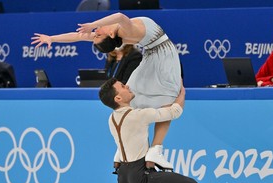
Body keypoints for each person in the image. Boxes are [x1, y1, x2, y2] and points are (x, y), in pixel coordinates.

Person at [31, 13, 181, 170]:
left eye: (96, 33)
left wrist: (52, 38)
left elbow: (78, 36)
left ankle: (149, 148)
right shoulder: (125, 31)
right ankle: (147, 148)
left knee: (141, 98)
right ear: (110, 34)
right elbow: (120, 16)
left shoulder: (116, 33)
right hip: (164, 55)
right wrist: (93, 23)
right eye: (97, 34)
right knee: (158, 99)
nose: (96, 31)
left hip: (152, 54)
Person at [99, 77, 222, 183]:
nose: (127, 86)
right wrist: (181, 94)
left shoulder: (112, 118)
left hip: (122, 176)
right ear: (117, 98)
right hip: (139, 174)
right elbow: (174, 112)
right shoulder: (138, 115)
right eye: (122, 86)